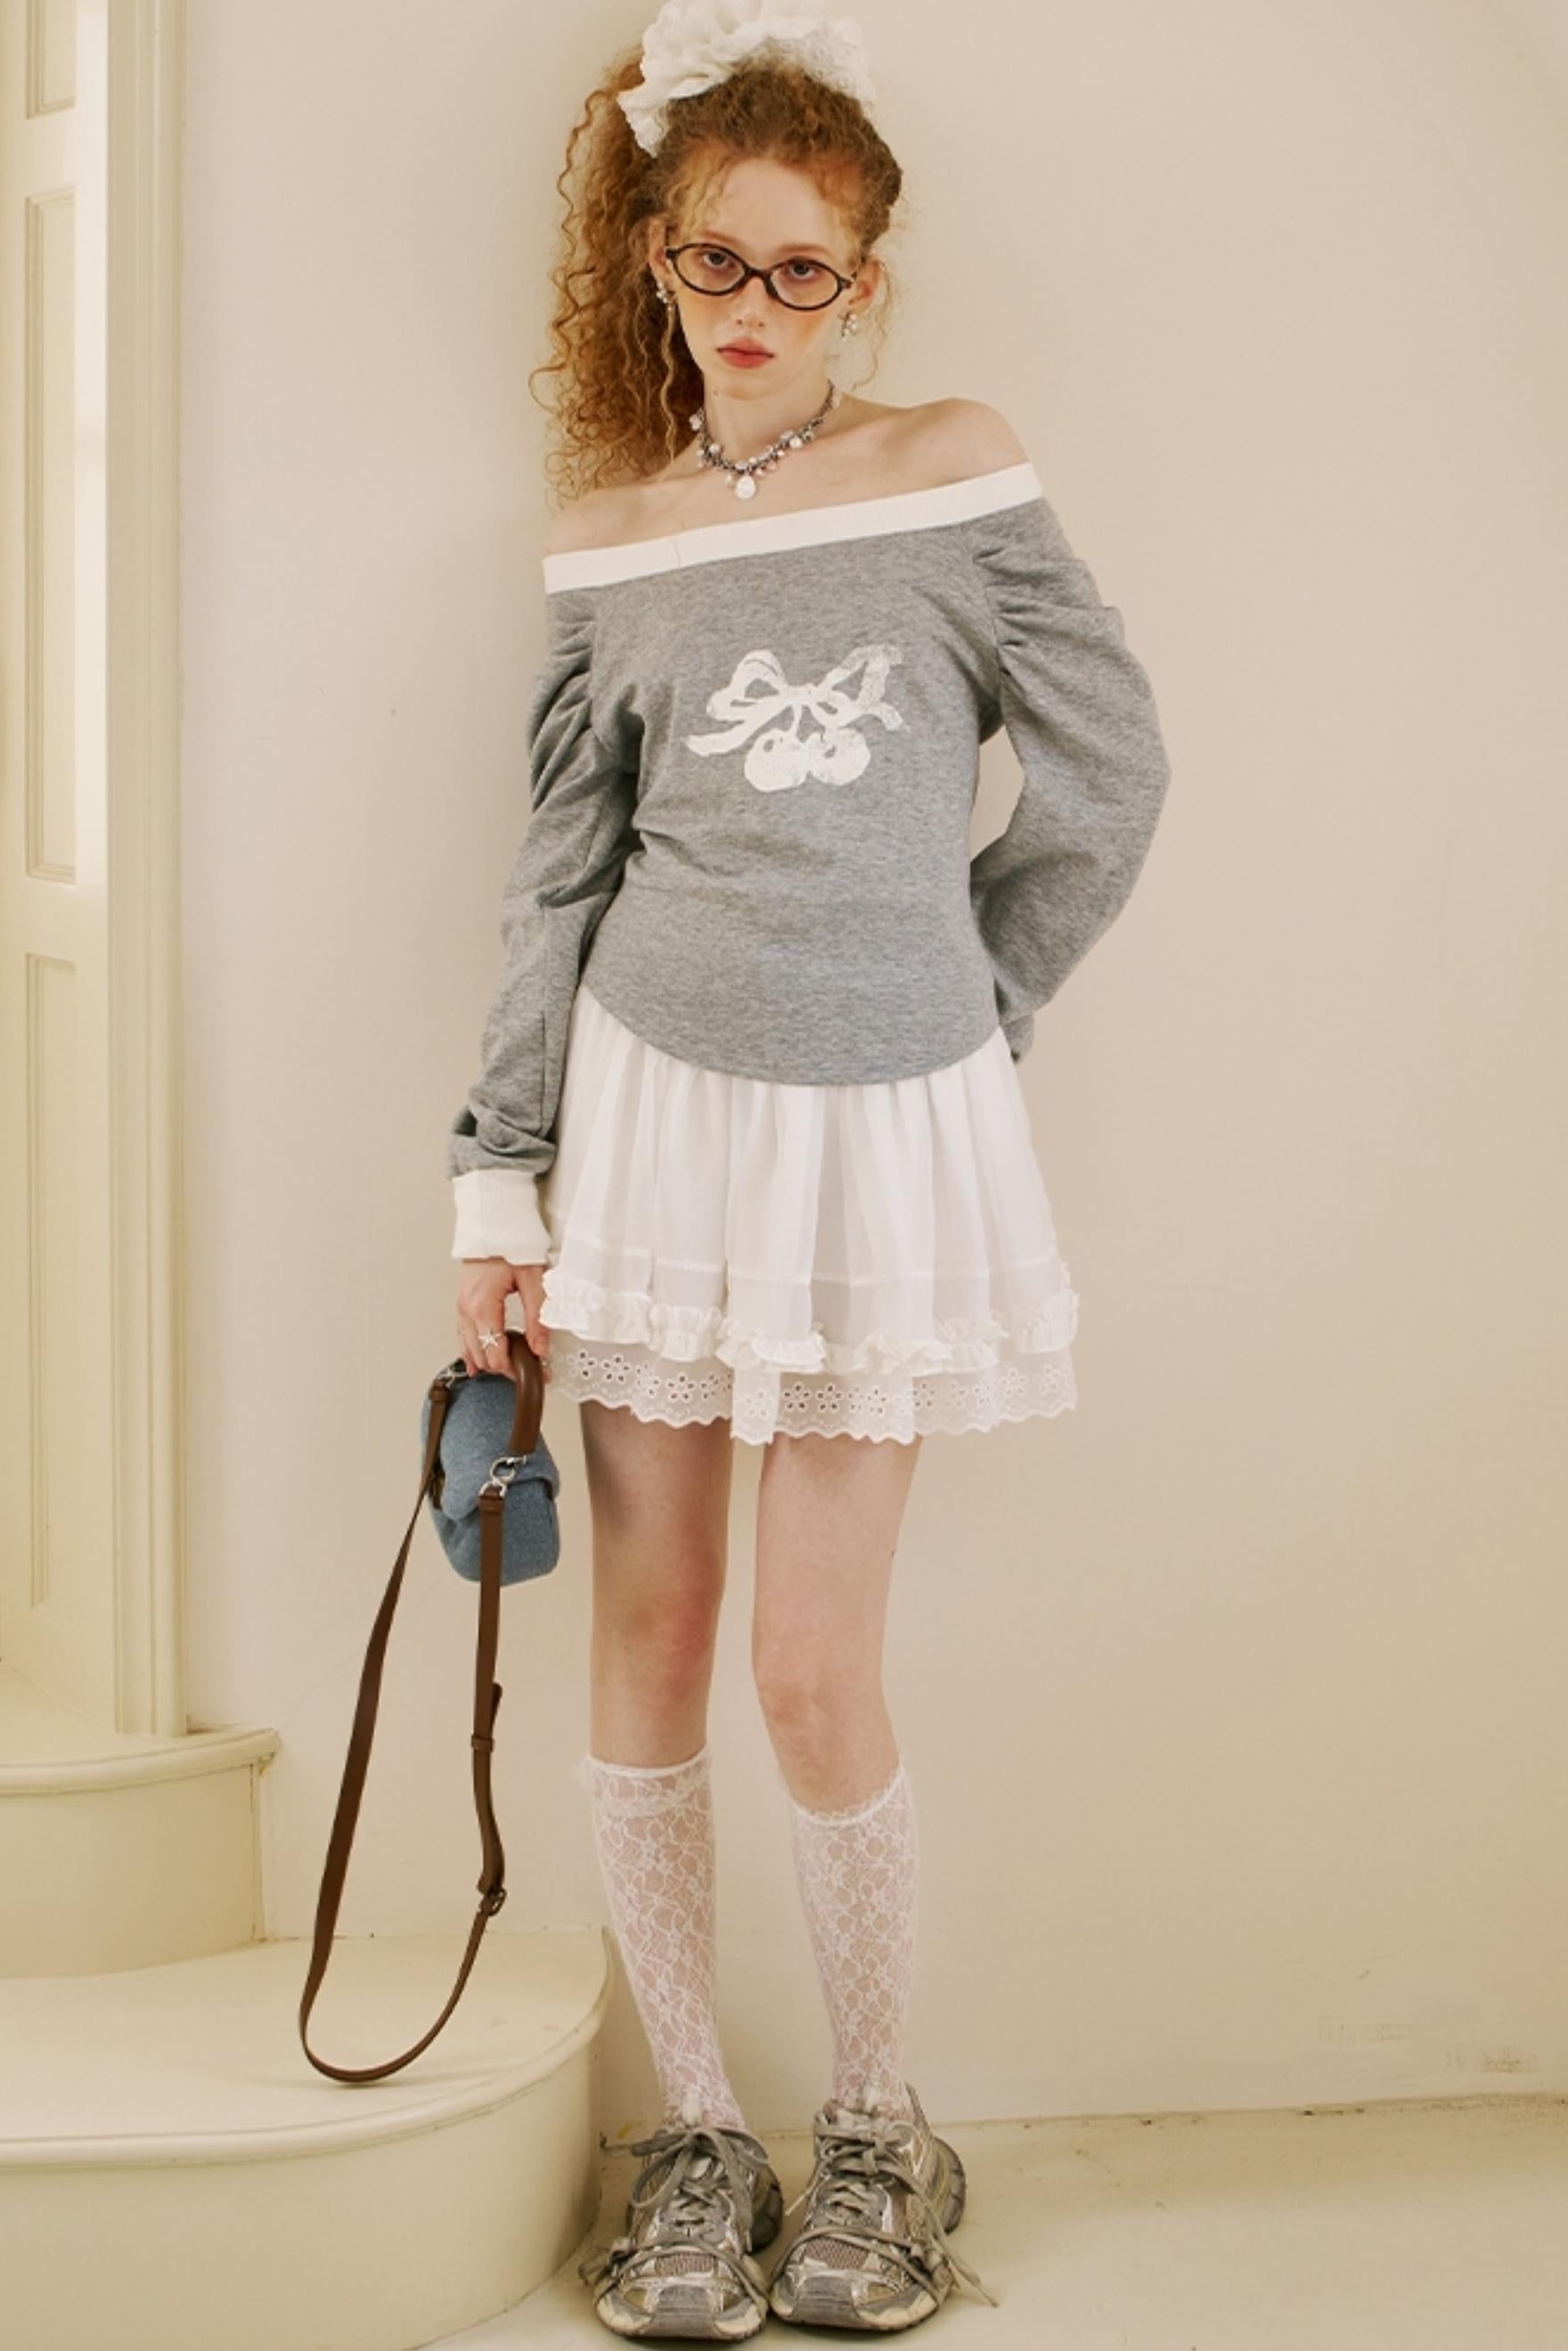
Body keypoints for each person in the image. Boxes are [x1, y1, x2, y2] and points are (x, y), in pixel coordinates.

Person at [448, 3, 1172, 2337]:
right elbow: (556, 885)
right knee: (647, 1635)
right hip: (651, 1127)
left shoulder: (955, 474)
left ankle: (878, 2128)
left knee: (806, 1660)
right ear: (650, 257)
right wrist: (496, 1192)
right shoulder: (611, 539)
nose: (753, 310)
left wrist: (970, 1003)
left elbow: (1112, 772)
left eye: (802, 272)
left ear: (862, 283)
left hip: (880, 1145)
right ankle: (693, 2136)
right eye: (714, 263)